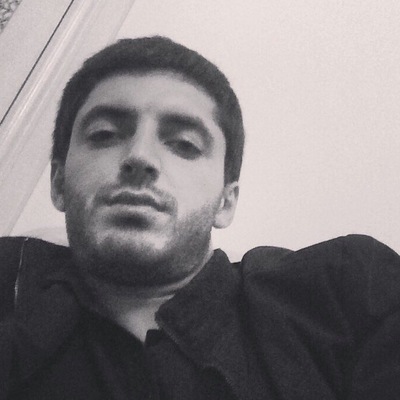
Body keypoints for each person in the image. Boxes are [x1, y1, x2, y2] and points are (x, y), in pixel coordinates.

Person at [0, 36, 399, 400]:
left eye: (185, 144)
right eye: (105, 135)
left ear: (226, 202)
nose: (140, 157)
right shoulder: (10, 281)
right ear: (58, 183)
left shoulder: (348, 295)